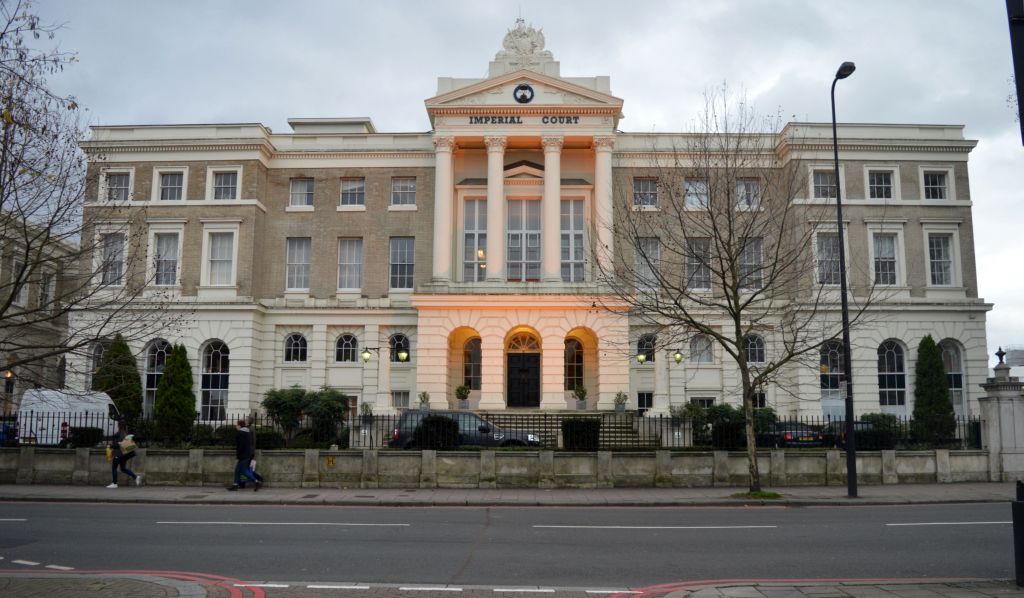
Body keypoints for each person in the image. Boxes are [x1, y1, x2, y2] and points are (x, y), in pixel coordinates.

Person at [228, 419, 260, 491]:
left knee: (243, 470)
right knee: (237, 470)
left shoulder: (240, 433)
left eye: (237, 425)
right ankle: (235, 484)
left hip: (243, 455)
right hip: (248, 453)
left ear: (239, 425)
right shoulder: (247, 432)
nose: (236, 426)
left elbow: (240, 446)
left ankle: (256, 481)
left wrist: (238, 456)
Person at [107, 420, 141, 489]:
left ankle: (114, 483)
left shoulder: (119, 433)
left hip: (119, 454)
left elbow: (117, 444)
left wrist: (110, 446)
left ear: (119, 425)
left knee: (114, 468)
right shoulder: (125, 433)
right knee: (123, 468)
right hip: (124, 454)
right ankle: (136, 477)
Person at [238, 415, 264, 489]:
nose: (244, 420)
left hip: (248, 452)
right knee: (244, 469)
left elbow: (250, 442)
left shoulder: (249, 429)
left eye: (246, 420)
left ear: (249, 421)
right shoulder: (247, 428)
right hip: (248, 452)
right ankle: (243, 483)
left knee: (243, 469)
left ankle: (257, 479)